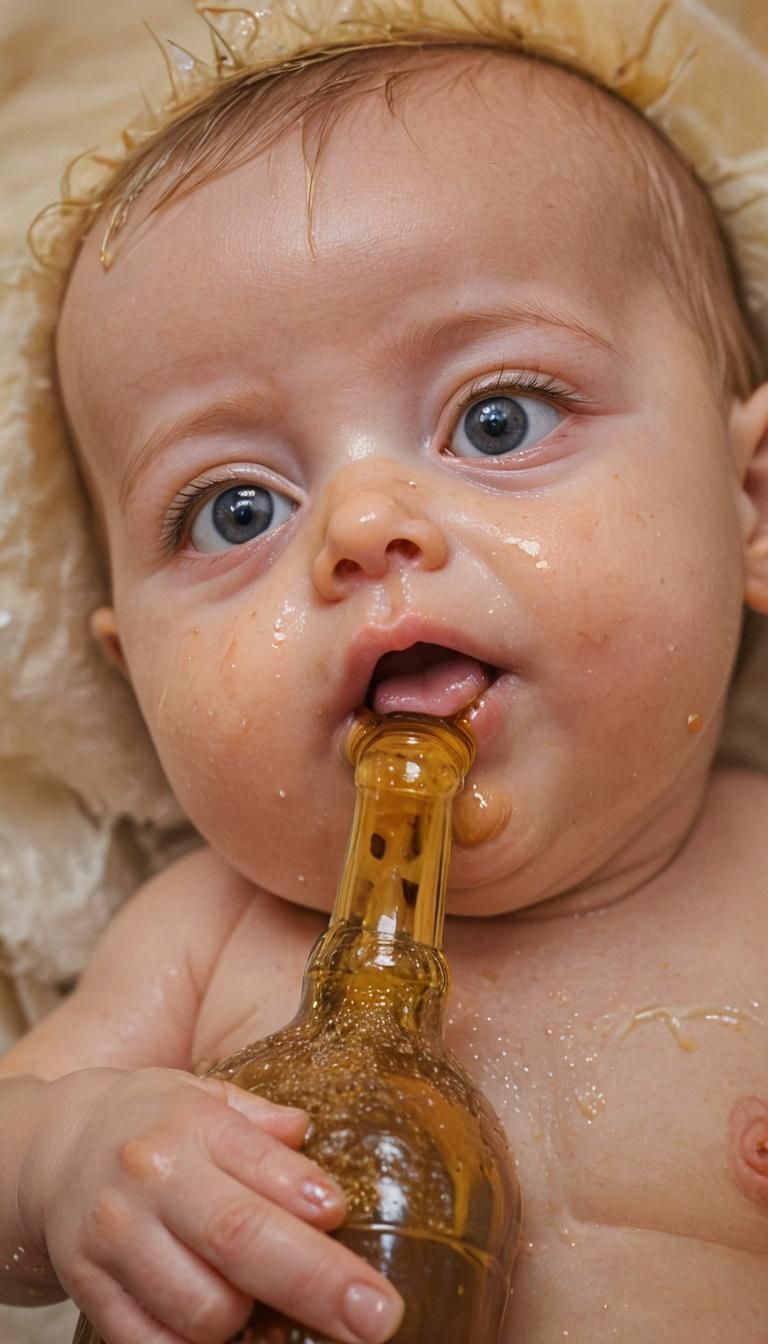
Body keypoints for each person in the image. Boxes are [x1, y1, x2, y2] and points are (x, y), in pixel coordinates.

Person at [1, 2, 768, 1341]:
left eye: (497, 417)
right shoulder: (206, 937)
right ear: (132, 681)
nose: (364, 530)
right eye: (236, 509)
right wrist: (67, 1161)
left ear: (750, 501)